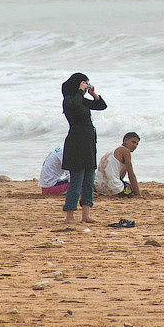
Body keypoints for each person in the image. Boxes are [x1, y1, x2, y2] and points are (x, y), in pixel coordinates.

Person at [60, 72, 107, 223]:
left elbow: (101, 106)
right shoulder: (69, 100)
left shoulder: (82, 100)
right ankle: (69, 215)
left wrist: (93, 94)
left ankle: (86, 214)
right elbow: (75, 105)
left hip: (88, 142)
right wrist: (80, 91)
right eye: (84, 83)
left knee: (89, 179)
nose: (86, 86)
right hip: (76, 141)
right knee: (77, 179)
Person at [95, 132, 142, 197]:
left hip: (98, 186)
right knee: (130, 188)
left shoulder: (111, 152)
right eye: (133, 142)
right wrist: (138, 194)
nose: (135, 146)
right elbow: (131, 175)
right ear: (125, 141)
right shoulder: (126, 151)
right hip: (113, 188)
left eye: (137, 144)